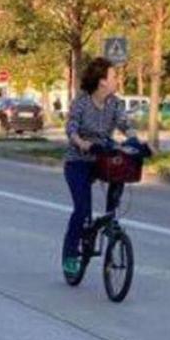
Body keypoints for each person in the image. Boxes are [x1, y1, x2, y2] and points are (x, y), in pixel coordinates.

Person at [62, 58, 136, 281]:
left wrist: (136, 141)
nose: (117, 80)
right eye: (114, 76)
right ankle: (71, 254)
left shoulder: (114, 103)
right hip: (78, 160)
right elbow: (72, 126)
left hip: (102, 157)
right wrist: (80, 142)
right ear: (102, 81)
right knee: (82, 210)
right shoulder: (82, 103)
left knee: (121, 170)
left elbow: (124, 124)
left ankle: (111, 221)